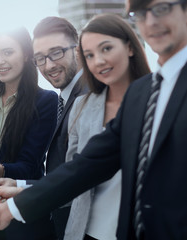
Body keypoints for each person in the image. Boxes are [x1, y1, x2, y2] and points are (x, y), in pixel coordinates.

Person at [0, 0, 187, 239]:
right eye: (140, 13)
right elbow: (86, 167)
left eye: (161, 8)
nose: (151, 21)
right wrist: (15, 203)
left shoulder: (133, 92)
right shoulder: (141, 93)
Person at [0, 17, 87, 239]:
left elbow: (82, 177)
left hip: (78, 225)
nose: (49, 65)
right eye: (41, 58)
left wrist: (16, 185)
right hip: (57, 220)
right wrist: (17, 184)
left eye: (57, 52)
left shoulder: (86, 98)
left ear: (77, 49)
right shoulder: (66, 98)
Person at [63, 14, 150, 240]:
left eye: (106, 49)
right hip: (86, 231)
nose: (98, 61)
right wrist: (21, 192)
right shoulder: (81, 106)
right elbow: (71, 174)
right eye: (89, 55)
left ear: (130, 47)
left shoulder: (158, 100)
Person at [0, 27, 57, 239]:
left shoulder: (45, 101)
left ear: (27, 54)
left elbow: (29, 166)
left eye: (8, 52)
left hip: (22, 214)